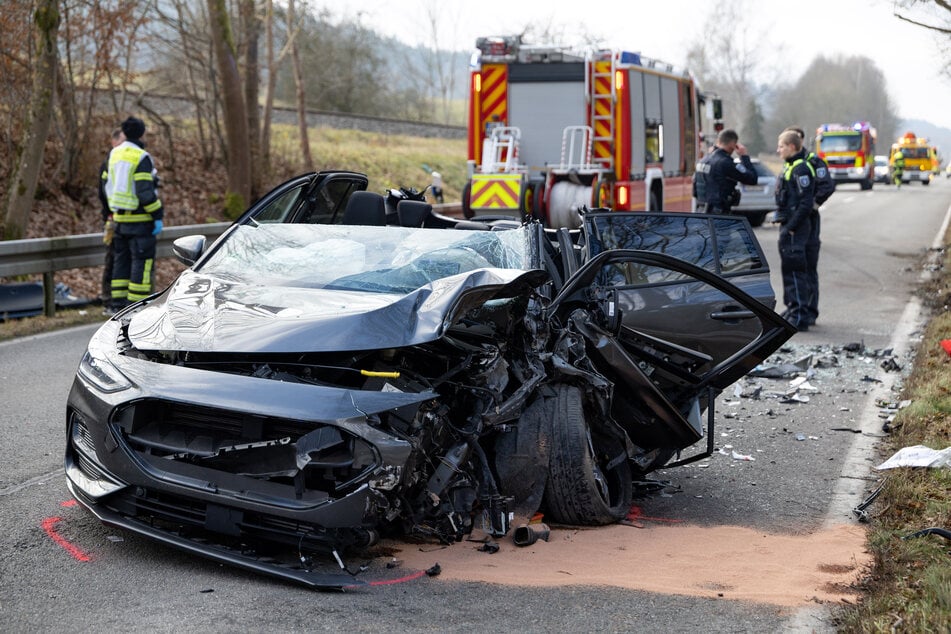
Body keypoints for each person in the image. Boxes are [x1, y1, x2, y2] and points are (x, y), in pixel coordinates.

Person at [106, 116, 164, 312]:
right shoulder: (141, 157)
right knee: (141, 264)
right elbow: (145, 193)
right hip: (141, 221)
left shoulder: (114, 154)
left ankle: (117, 306)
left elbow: (107, 184)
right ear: (142, 133)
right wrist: (158, 214)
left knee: (120, 263)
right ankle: (136, 308)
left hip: (120, 220)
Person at [784, 126, 833, 327]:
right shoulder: (791, 163)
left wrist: (812, 206)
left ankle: (810, 310)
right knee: (796, 266)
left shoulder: (812, 161)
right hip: (797, 218)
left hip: (809, 221)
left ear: (800, 141)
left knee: (808, 266)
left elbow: (827, 186)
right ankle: (796, 306)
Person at [775, 129, 817, 331]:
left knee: (796, 272)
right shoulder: (790, 166)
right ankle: (792, 308)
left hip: (796, 229)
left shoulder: (801, 169)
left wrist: (791, 227)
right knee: (788, 270)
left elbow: (806, 203)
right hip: (788, 226)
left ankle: (800, 315)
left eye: (781, 146)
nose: (778, 150)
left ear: (792, 147)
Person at [694, 129, 757, 214]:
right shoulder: (725, 162)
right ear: (733, 144)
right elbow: (752, 179)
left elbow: (695, 191)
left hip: (700, 213)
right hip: (718, 216)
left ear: (718, 141)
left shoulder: (702, 161)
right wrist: (744, 156)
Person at [97, 127, 124, 313]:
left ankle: (118, 300)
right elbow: (103, 191)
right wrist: (110, 212)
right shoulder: (110, 161)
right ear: (113, 141)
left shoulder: (121, 159)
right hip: (112, 218)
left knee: (120, 259)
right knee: (112, 258)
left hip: (123, 219)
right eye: (122, 141)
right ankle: (108, 299)